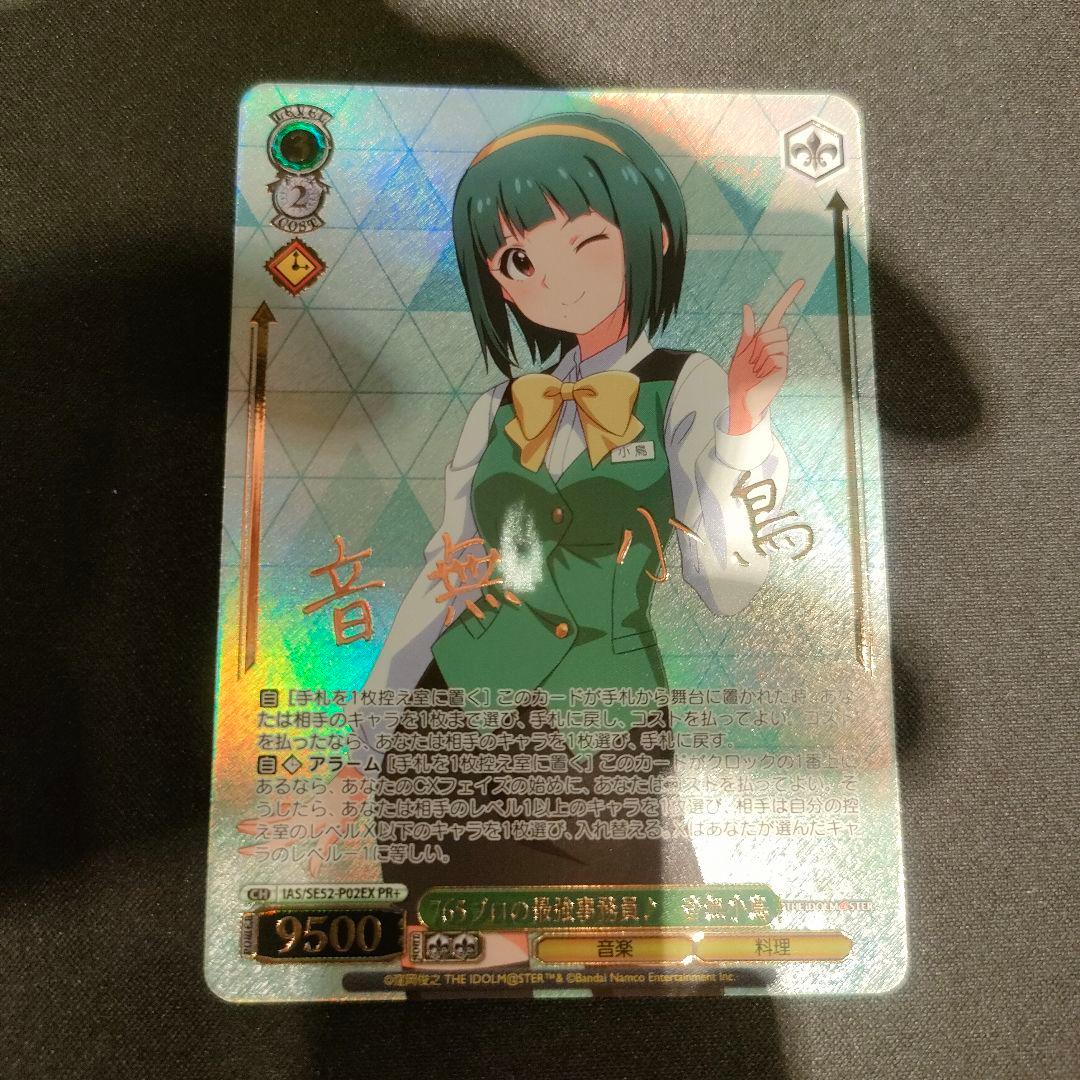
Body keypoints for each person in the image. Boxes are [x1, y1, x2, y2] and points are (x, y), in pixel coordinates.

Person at [364, 112, 801, 902]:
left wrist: (743, 418)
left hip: (601, 733)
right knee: (448, 948)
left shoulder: (689, 385)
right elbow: (446, 573)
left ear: (649, 236)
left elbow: (727, 586)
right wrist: (370, 736)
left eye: (586, 241)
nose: (553, 280)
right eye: (519, 259)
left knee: (606, 943)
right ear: (499, 282)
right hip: (452, 720)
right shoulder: (497, 407)